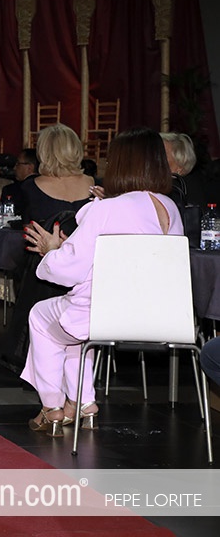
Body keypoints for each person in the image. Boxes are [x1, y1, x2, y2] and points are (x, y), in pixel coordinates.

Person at [21, 127, 180, 435]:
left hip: (106, 313)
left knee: (42, 316)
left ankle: (52, 408)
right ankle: (83, 404)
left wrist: (52, 251)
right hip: (158, 316)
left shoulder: (107, 209)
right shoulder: (170, 207)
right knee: (72, 329)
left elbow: (70, 269)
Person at [0, 124, 94, 375]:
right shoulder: (93, 185)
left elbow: (26, 227)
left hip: (42, 273)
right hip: (86, 270)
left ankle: (38, 364)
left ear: (44, 152)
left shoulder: (30, 187)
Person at [0, 147, 38, 214]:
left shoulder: (11, 190)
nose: (14, 168)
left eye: (18, 164)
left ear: (30, 167)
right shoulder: (48, 187)